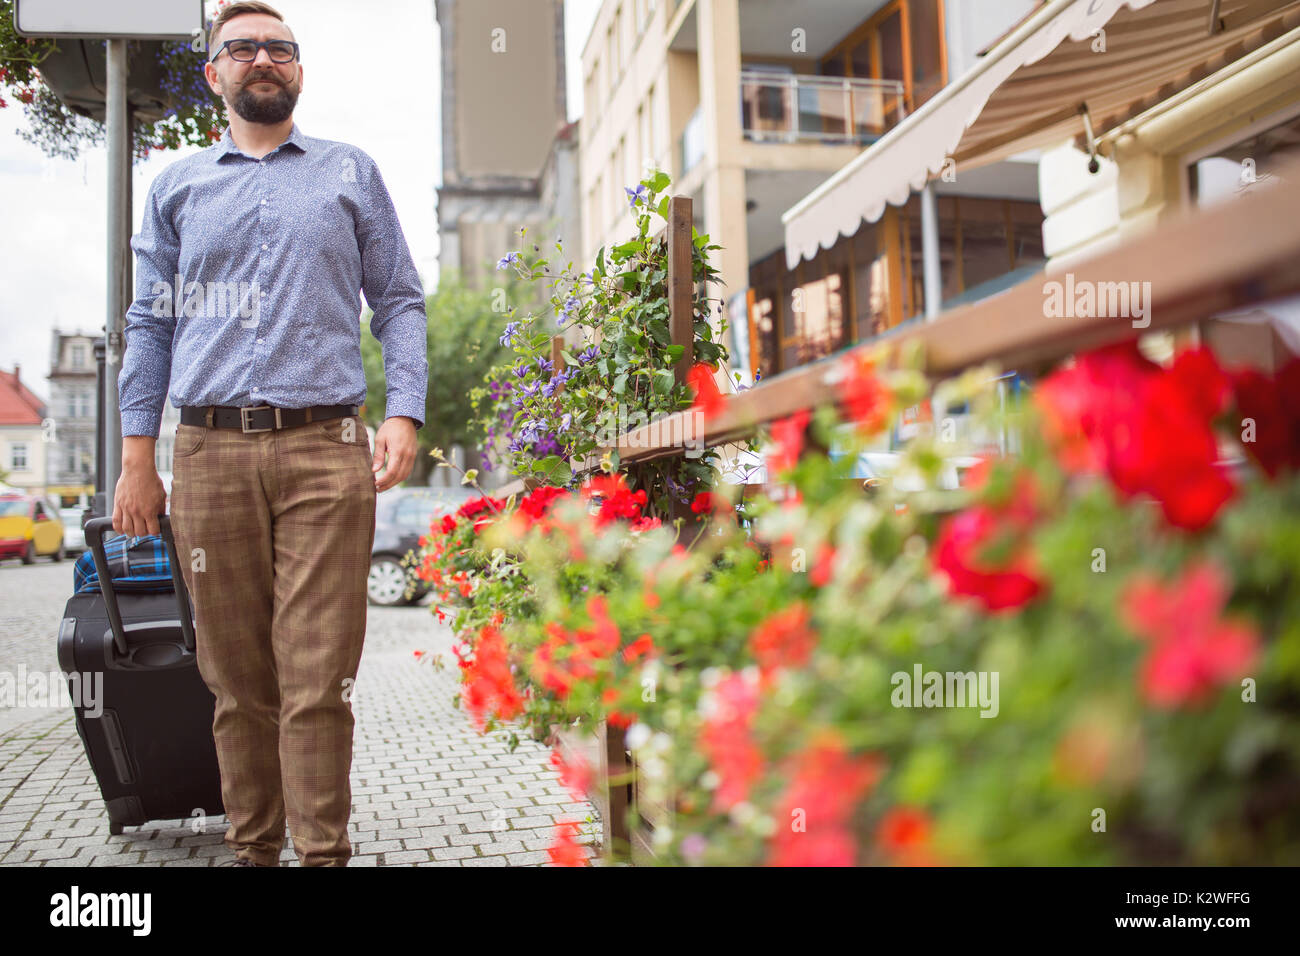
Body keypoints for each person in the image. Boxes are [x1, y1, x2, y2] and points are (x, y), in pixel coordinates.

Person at [113, 0, 428, 866]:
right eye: (241, 47)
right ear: (213, 72)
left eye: (279, 48)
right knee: (236, 685)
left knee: (318, 679)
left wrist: (403, 409)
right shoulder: (176, 188)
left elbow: (399, 299)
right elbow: (149, 322)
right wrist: (137, 458)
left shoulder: (348, 172)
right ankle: (255, 851)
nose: (262, 58)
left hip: (326, 454)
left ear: (299, 70)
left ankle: (322, 855)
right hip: (206, 455)